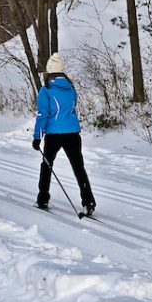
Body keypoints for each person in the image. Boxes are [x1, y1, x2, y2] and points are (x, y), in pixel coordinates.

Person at [32, 53, 96, 214]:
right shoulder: (71, 88)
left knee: (47, 166)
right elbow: (72, 108)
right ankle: (88, 202)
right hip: (73, 133)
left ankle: (42, 199)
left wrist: (37, 136)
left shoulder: (46, 90)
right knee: (78, 167)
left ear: (49, 70)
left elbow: (42, 114)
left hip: (54, 135)